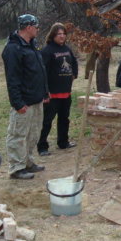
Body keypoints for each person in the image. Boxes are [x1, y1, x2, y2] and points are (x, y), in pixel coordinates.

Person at [2, 14, 49, 180]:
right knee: (18, 135)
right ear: (28, 27)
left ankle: (28, 162)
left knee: (33, 133)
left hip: (36, 99)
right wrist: (17, 103)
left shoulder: (32, 45)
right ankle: (16, 168)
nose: (38, 29)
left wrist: (44, 92)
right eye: (36, 26)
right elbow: (12, 79)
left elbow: (39, 71)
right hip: (24, 102)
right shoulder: (13, 49)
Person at [37, 23, 79, 156]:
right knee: (47, 121)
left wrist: (74, 74)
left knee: (64, 119)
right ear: (53, 35)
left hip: (66, 92)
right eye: (59, 34)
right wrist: (45, 91)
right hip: (52, 94)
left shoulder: (67, 49)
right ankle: (42, 146)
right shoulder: (47, 51)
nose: (62, 36)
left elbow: (74, 62)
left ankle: (63, 142)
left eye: (63, 34)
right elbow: (41, 72)